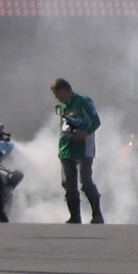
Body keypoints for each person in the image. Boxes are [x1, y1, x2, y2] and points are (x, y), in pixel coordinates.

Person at [50, 78, 104, 224]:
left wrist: (84, 132)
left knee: (85, 180)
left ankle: (97, 214)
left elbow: (95, 121)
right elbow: (64, 127)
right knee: (68, 183)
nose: (57, 98)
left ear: (64, 90)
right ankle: (75, 216)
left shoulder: (83, 101)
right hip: (67, 149)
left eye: (57, 94)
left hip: (84, 149)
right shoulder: (62, 107)